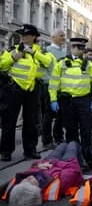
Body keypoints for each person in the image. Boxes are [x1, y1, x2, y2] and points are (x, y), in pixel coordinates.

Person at [0, 24, 53, 161]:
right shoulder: (13, 49)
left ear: (34, 37)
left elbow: (48, 63)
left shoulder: (40, 51)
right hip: (14, 88)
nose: (24, 38)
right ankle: (6, 151)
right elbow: (1, 65)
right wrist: (14, 57)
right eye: (22, 35)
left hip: (32, 88)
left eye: (27, 35)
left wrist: (33, 53)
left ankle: (30, 150)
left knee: (31, 121)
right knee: (9, 121)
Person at [48, 37, 92, 165]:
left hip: (84, 101)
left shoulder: (89, 64)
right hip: (67, 101)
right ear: (72, 48)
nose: (81, 50)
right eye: (79, 48)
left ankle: (87, 158)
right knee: (70, 131)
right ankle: (74, 160)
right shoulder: (61, 63)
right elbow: (54, 83)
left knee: (86, 130)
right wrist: (53, 99)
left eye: (83, 48)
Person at [2, 141, 83, 206]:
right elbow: (72, 168)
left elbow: (32, 166)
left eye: (24, 181)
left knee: (63, 144)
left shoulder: (20, 185)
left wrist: (38, 165)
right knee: (73, 144)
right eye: (30, 183)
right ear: (37, 189)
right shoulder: (57, 186)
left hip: (47, 162)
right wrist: (53, 162)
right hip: (65, 163)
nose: (28, 178)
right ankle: (82, 164)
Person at [42, 30, 67, 149]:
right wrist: (49, 83)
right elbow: (43, 70)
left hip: (62, 89)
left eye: (63, 36)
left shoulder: (64, 52)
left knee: (61, 114)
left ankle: (58, 137)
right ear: (53, 37)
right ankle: (47, 140)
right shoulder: (47, 50)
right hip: (51, 88)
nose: (63, 37)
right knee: (49, 114)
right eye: (61, 36)